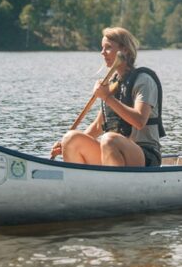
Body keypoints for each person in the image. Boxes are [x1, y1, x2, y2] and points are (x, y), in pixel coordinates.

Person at [50, 27, 165, 167]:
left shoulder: (144, 80)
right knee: (71, 138)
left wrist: (108, 98)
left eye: (108, 48)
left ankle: (112, 184)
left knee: (109, 139)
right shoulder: (111, 84)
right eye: (102, 48)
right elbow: (99, 125)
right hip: (113, 151)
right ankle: (79, 181)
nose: (102, 53)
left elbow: (140, 121)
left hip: (145, 155)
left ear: (125, 50)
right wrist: (65, 146)